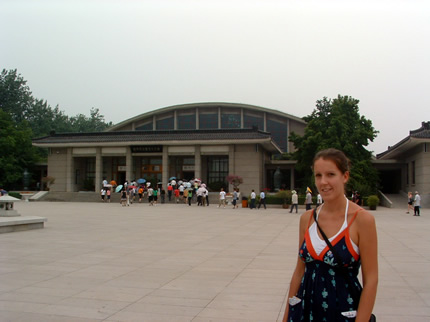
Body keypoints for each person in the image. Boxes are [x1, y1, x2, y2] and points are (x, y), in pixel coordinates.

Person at [283, 148, 378, 322]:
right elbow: (299, 271)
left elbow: (371, 279)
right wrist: (287, 316)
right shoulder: (308, 219)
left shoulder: (362, 220)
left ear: (345, 176)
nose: (323, 182)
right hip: (305, 312)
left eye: (330, 174)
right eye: (318, 175)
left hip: (342, 311)